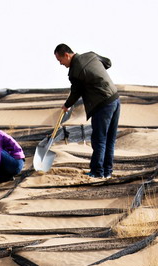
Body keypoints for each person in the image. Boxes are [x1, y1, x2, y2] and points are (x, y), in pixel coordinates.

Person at [54, 43, 121, 179]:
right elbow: (108, 63)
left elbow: (76, 92)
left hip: (102, 104)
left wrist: (66, 105)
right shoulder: (91, 55)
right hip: (115, 99)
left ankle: (97, 172)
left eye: (60, 60)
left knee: (99, 139)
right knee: (110, 139)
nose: (61, 64)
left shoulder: (75, 71)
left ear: (67, 55)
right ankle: (107, 171)